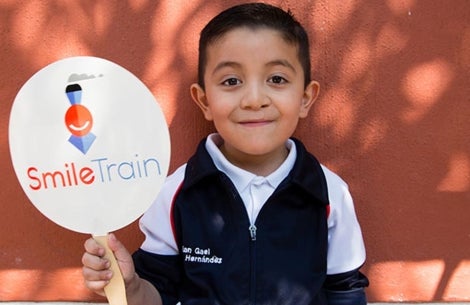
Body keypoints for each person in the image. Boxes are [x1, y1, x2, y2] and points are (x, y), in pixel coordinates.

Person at [82, 3, 369, 304]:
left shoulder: (330, 195)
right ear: (204, 100)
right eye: (232, 81)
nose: (254, 99)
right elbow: (156, 294)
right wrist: (129, 286)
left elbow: (345, 291)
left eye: (277, 79)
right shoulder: (174, 194)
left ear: (305, 98)